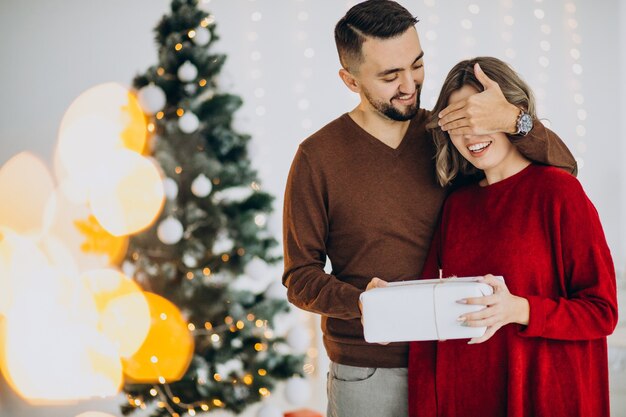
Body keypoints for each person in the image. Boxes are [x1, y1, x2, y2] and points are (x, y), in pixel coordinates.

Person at [282, 1, 577, 416]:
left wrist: (515, 119)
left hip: (461, 361)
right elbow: (300, 277)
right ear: (349, 80)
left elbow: (560, 173)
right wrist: (363, 303)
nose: (409, 84)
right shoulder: (318, 157)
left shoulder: (449, 133)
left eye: (416, 65)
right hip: (369, 370)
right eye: (389, 75)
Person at [407, 56, 618, 417]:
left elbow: (602, 313)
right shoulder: (457, 206)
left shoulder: (559, 192)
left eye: (479, 118)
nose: (470, 135)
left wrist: (519, 309)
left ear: (509, 114)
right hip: (469, 398)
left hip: (547, 397)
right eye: (458, 122)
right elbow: (430, 319)